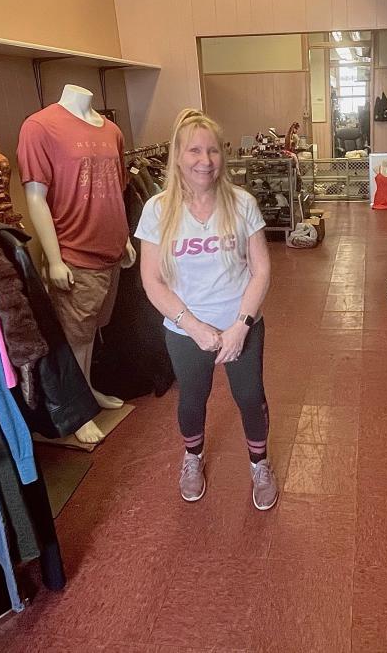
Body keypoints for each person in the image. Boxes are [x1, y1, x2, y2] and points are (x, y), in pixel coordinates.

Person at [136, 109, 277, 510]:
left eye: (213, 151)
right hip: (186, 330)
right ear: (178, 156)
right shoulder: (157, 210)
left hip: (241, 323)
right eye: (195, 150)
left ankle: (260, 465)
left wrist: (240, 326)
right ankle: (192, 458)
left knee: (250, 397)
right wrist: (194, 326)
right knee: (192, 399)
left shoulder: (242, 203)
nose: (205, 160)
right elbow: (152, 280)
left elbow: (261, 268)